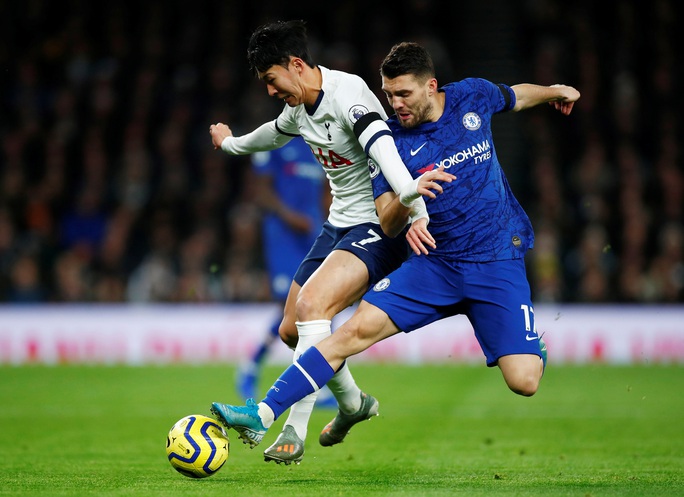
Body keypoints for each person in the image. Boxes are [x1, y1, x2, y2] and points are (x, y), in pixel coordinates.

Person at [209, 41, 580, 455]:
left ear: (431, 86)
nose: (395, 103)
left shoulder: (470, 95)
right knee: (349, 332)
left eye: (403, 93)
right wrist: (409, 195)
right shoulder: (391, 141)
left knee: (524, 381)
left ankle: (531, 347)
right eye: (388, 94)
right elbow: (386, 220)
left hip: (495, 261)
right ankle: (263, 413)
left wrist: (554, 91)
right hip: (434, 264)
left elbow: (514, 95)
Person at [209, 23, 452, 465]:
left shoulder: (349, 95)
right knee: (289, 330)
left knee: (312, 309)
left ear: (296, 65)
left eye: (271, 80)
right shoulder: (298, 108)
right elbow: (269, 133)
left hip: (375, 224)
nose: (270, 91)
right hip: (337, 224)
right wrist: (229, 144)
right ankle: (354, 402)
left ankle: (288, 428)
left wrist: (414, 204)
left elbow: (385, 153)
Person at [236, 136, 335, 409]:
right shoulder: (276, 143)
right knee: (289, 308)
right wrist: (289, 216)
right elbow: (262, 192)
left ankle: (319, 382)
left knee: (324, 303)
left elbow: (327, 190)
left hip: (313, 232)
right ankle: (251, 366)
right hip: (283, 234)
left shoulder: (319, 145)